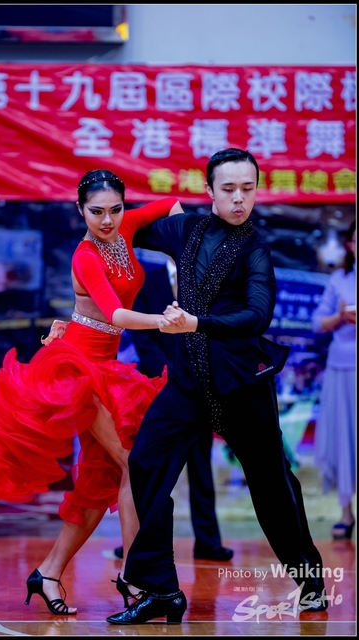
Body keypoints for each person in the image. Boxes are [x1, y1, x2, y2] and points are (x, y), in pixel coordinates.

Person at [106, 148, 329, 626]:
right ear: (209, 191)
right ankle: (160, 588)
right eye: (228, 189)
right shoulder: (184, 230)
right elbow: (121, 228)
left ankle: (310, 579)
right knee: (146, 462)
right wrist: (103, 213)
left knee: (273, 486)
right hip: (188, 384)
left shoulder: (255, 250)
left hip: (241, 386)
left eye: (247, 189)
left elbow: (257, 316)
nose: (239, 199)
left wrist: (197, 322)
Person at [0, 169, 185, 616]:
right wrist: (168, 320)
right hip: (79, 369)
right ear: (80, 210)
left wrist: (181, 267)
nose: (107, 220)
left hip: (107, 366)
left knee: (100, 482)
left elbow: (171, 206)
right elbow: (117, 315)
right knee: (134, 464)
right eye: (96, 212)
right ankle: (136, 577)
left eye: (115, 210)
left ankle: (48, 572)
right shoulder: (85, 255)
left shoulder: (125, 227)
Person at [113, 257, 233, 562]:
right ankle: (135, 540)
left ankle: (208, 542)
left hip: (199, 386)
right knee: (151, 466)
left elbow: (215, 331)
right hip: (158, 386)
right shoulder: (148, 278)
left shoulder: (208, 279)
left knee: (201, 467)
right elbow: (142, 337)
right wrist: (169, 374)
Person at [312, 220, 356, 541]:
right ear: (349, 245)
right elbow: (318, 323)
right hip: (342, 369)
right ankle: (346, 513)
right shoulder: (339, 279)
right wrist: (340, 317)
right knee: (344, 439)